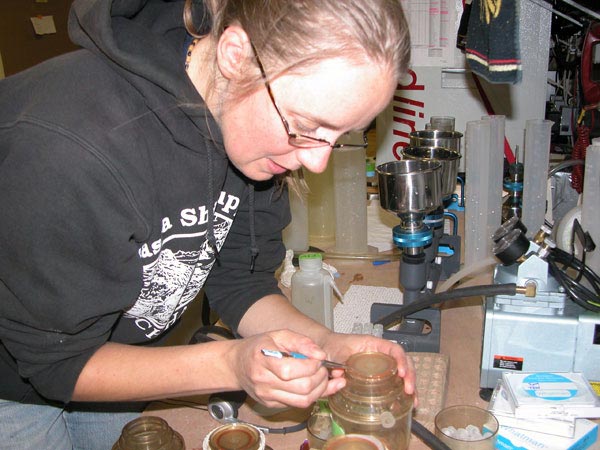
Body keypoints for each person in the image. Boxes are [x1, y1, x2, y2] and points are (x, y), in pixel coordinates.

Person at [0, 0, 414, 448]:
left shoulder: (249, 134)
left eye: (339, 137)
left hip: (108, 350)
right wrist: (231, 364)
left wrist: (327, 344)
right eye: (308, 127)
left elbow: (241, 282)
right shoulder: (71, 150)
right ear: (235, 55)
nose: (316, 163)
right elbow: (58, 365)